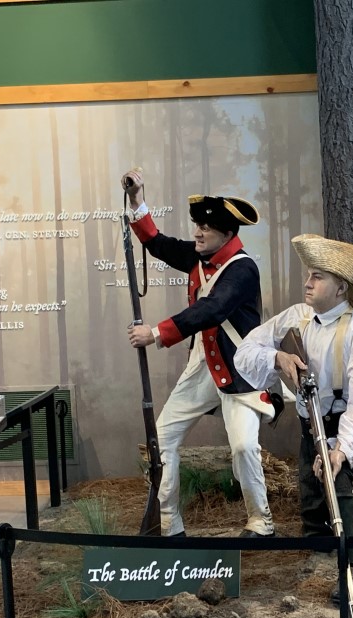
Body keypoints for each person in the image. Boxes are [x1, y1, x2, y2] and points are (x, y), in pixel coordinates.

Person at [122, 171, 275, 539]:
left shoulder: (243, 269)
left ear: (227, 233)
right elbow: (158, 243)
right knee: (162, 440)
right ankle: (170, 525)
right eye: (197, 226)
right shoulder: (197, 256)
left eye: (206, 228)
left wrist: (156, 333)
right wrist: (136, 201)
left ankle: (261, 521)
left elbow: (212, 309)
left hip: (238, 370)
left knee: (243, 446)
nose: (197, 233)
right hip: (203, 366)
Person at [235, 234, 353, 604]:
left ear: (341, 288)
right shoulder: (296, 317)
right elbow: (245, 351)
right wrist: (277, 358)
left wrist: (341, 450)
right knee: (316, 533)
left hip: (351, 431)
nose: (308, 282)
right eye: (309, 275)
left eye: (317, 277)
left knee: (338, 485)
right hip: (311, 432)